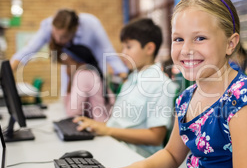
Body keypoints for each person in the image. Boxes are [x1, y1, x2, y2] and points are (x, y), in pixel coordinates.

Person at [88, 0, 247, 168]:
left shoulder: (243, 98)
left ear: (230, 43)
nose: (186, 49)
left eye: (200, 38)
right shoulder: (188, 96)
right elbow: (171, 155)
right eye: (178, 39)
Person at [75, 18, 178, 157]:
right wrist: (95, 125)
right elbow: (119, 125)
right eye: (123, 47)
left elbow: (155, 137)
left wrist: (108, 130)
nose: (123, 53)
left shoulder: (161, 85)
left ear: (149, 48)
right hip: (115, 145)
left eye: (128, 47)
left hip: (135, 156)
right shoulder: (131, 78)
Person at [10, 9, 128, 93]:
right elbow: (28, 50)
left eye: (64, 37)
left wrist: (125, 77)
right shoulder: (48, 26)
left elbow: (108, 51)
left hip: (95, 71)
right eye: (56, 35)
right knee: (71, 102)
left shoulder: (91, 24)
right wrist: (6, 73)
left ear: (75, 31)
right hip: (71, 75)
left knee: (94, 101)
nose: (58, 40)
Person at [61, 44, 113, 122]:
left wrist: (70, 79)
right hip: (104, 122)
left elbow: (72, 112)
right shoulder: (93, 73)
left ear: (82, 64)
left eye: (68, 65)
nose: (66, 70)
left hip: (100, 127)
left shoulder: (84, 75)